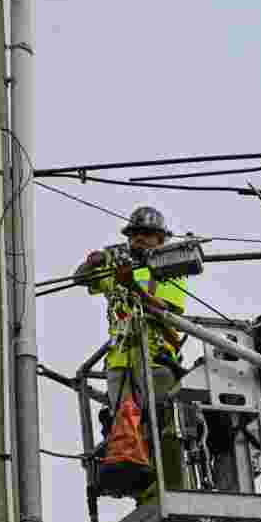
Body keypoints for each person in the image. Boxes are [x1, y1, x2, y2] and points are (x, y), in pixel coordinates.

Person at [76, 205, 188, 500]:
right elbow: (79, 279)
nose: (139, 239)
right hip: (120, 360)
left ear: (161, 240)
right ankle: (144, 492)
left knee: (163, 418)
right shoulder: (119, 268)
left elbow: (165, 311)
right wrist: (94, 261)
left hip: (155, 355)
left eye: (147, 234)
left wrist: (133, 287)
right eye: (135, 234)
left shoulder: (168, 269)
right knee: (126, 426)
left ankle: (172, 489)